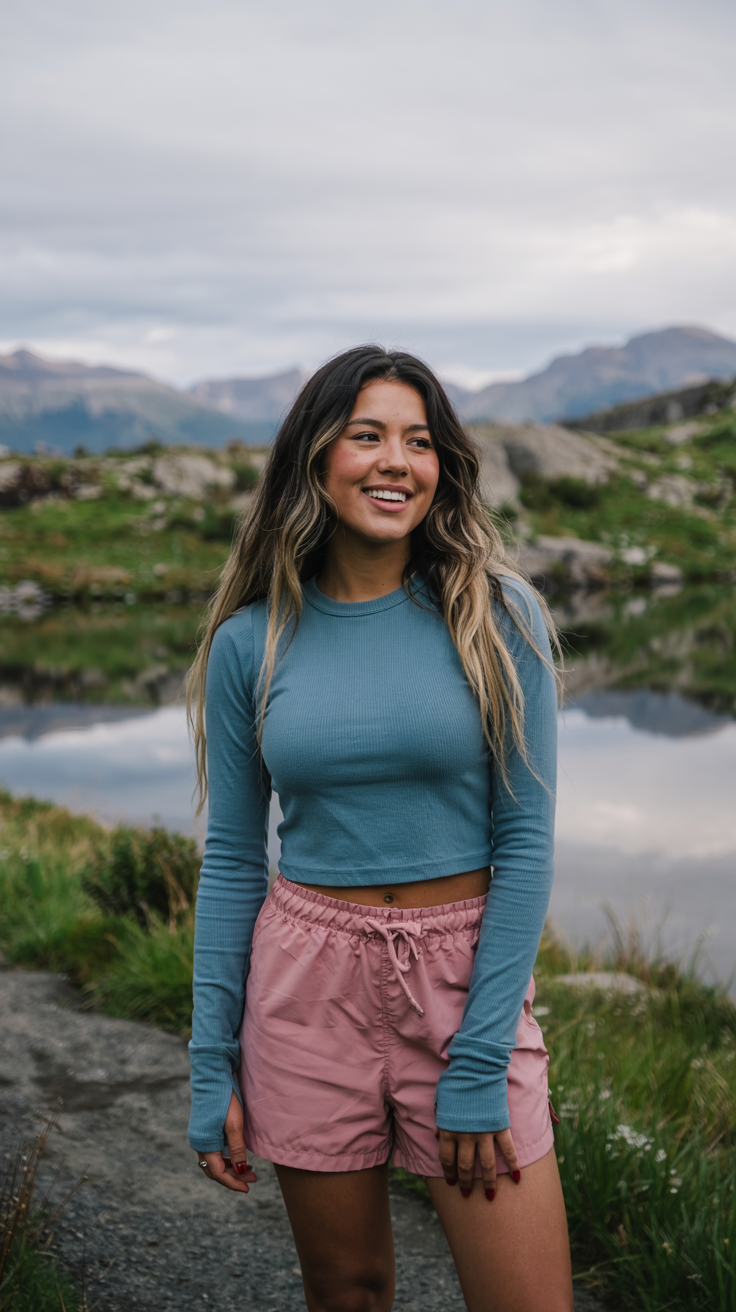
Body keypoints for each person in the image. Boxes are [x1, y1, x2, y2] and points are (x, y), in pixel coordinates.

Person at [186, 346, 573, 1312]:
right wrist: (209, 1067)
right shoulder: (251, 641)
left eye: (420, 440)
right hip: (306, 988)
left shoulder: (498, 615)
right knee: (349, 1292)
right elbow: (235, 859)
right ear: (316, 458)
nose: (396, 460)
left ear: (443, 467)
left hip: (462, 983)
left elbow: (525, 843)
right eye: (367, 436)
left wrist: (482, 1056)